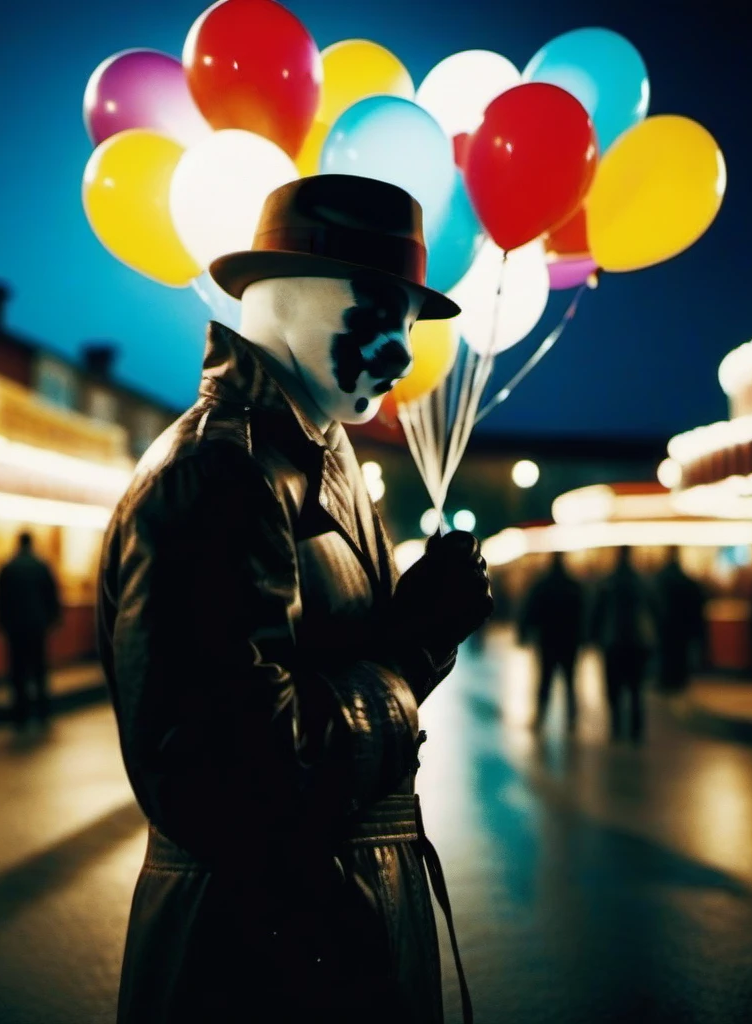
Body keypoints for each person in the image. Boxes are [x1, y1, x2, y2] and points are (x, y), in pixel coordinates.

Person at [97, 175, 493, 1024]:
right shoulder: (217, 475)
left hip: (324, 940)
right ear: (285, 293)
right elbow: (219, 779)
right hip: (252, 967)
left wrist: (413, 637)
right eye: (380, 309)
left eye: (410, 325)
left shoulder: (319, 459)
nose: (399, 352)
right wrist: (408, 650)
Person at [0, 532, 61, 729]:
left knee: (17, 670)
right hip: (37, 625)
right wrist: (52, 619)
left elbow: (0, 597)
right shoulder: (42, 566)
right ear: (33, 543)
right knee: (39, 669)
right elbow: (52, 594)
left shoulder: (7, 567)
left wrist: (2, 622)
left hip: (15, 626)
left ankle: (20, 714)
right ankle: (42, 712)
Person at [590, 546, 656, 742]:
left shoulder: (608, 582)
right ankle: (636, 730)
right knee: (636, 689)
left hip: (613, 643)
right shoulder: (640, 582)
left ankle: (617, 727)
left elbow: (597, 612)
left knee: (614, 689)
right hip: (636, 642)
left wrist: (593, 637)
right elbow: (654, 610)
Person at [518, 551, 584, 733]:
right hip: (569, 641)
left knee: (545, 679)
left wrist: (524, 632)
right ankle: (571, 718)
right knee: (570, 681)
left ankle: (540, 716)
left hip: (547, 640)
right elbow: (582, 613)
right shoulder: (573, 585)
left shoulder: (543, 585)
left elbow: (531, 610)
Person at [654, 547, 706, 692]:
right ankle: (678, 681)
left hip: (666, 626)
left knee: (667, 655)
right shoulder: (684, 579)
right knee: (680, 656)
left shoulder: (661, 579)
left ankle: (668, 680)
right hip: (682, 627)